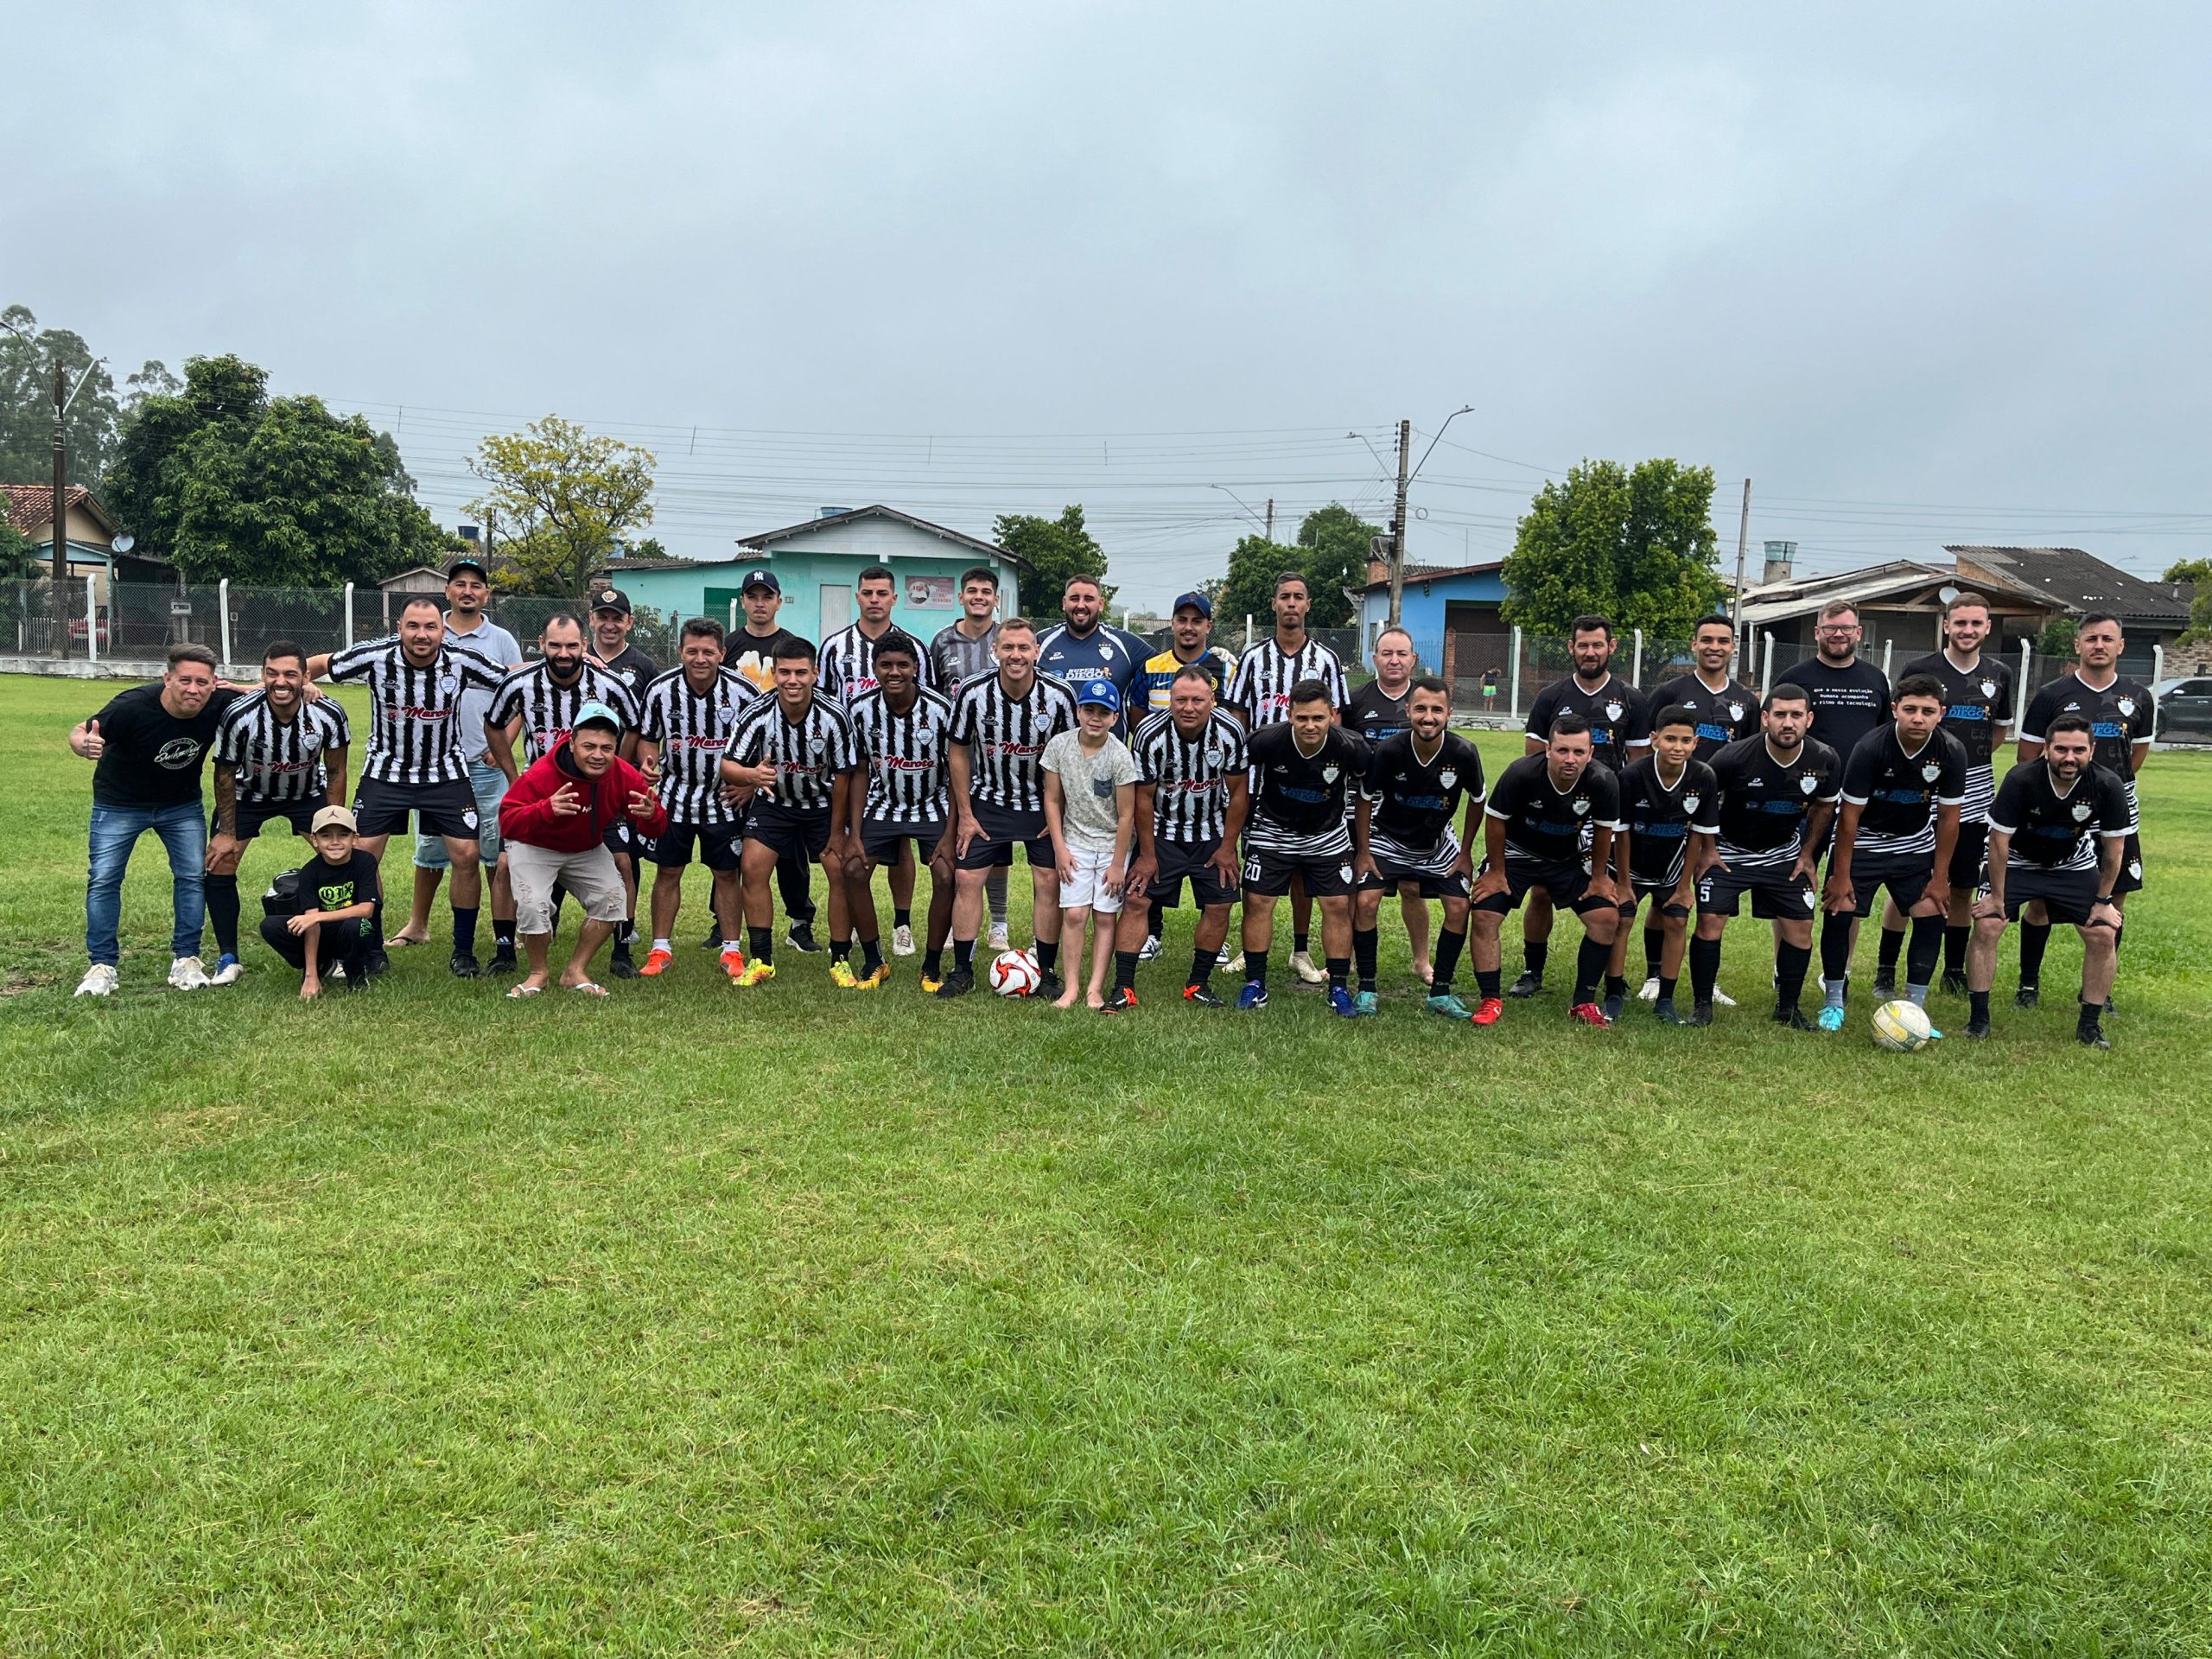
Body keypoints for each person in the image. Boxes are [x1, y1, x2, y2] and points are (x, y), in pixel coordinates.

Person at [307, 596, 507, 976]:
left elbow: (511, 677)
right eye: (413, 626)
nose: (421, 634)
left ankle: (463, 952)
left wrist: (571, 660)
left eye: (430, 627)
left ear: (442, 631)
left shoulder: (461, 660)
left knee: (467, 856)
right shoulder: (375, 657)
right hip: (386, 773)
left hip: (445, 774)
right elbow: (320, 663)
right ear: (399, 628)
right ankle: (372, 948)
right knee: (361, 856)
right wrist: (299, 682)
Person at [68, 643, 242, 995]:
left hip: (181, 805)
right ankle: (102, 965)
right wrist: (84, 745)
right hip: (120, 803)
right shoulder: (132, 706)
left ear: (214, 684)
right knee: (104, 879)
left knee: (191, 877)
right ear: (167, 679)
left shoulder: (218, 703)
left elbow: (273, 690)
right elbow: (81, 730)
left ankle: (186, 958)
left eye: (202, 682)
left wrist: (307, 688)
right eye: (185, 680)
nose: (193, 690)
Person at [484, 611, 643, 976]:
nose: (564, 653)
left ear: (584, 645)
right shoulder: (520, 683)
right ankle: (505, 951)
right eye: (555, 645)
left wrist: (616, 770)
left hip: (597, 795)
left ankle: (622, 951)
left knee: (622, 862)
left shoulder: (609, 683)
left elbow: (634, 725)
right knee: (504, 865)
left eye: (572, 645)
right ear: (541, 644)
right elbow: (493, 724)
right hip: (540, 793)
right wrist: (513, 776)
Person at [938, 618, 1081, 999]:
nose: (1015, 655)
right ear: (995, 651)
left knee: (1049, 881)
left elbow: (1072, 754)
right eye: (1008, 648)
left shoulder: (1059, 695)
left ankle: (1046, 972)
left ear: (1037, 651)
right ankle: (962, 970)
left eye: (1023, 648)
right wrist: (966, 814)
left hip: (1041, 804)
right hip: (989, 801)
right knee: (967, 880)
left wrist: (1061, 812)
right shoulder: (972, 692)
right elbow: (958, 750)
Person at [2014, 613, 2152, 1007]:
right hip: (2058, 811)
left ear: (2120, 646)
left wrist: (2106, 793)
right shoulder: (2051, 695)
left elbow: (2136, 754)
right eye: (2091, 638)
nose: (2099, 645)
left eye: (2107, 638)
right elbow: (2027, 756)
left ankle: (2097, 991)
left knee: (2113, 899)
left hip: (2114, 812)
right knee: (2041, 898)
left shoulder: (2138, 697)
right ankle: (2028, 984)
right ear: (2078, 645)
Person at [1878, 592, 2013, 995]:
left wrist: (1963, 764)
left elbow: (1999, 731)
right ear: (1947, 625)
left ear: (1987, 627)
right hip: (1921, 790)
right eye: (1961, 622)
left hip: (1975, 791)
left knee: (1962, 884)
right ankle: (1886, 968)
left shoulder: (1999, 674)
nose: (1968, 630)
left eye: (1976, 623)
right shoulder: (1921, 669)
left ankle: (1953, 969)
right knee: (1909, 883)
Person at [390, 555, 523, 958]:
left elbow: (519, 694)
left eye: (475, 585)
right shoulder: (428, 630)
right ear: (447, 591)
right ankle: (418, 925)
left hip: (484, 763)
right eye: (460, 584)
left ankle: (504, 930)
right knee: (431, 848)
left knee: (493, 848)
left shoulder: (501, 640)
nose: (468, 591)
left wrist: (503, 747)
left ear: (486, 594)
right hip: (434, 765)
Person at [1967, 714, 2127, 1046]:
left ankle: (2089, 1027)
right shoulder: (2021, 779)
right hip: (2017, 860)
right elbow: (1999, 842)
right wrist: (1997, 898)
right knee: (1988, 925)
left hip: (2072, 863)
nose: (2070, 758)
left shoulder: (2107, 784)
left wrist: (2103, 901)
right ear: (2046, 748)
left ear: (2092, 750)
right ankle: (1978, 1020)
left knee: (2102, 934)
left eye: (2079, 750)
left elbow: (2115, 851)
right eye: (2061, 749)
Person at [1510, 614, 1649, 998]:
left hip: (1606, 816)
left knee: (1612, 892)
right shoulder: (1550, 696)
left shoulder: (1632, 699)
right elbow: (1533, 758)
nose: (1590, 652)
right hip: (1556, 814)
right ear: (1571, 647)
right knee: (1541, 892)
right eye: (1583, 645)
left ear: (1612, 647)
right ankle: (1532, 970)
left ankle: (1613, 977)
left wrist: (1625, 816)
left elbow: (1637, 766)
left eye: (1598, 645)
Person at [1818, 674, 1965, 1032]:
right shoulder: (1870, 747)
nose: (1918, 718)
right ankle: (1834, 1000)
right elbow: (1848, 816)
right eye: (1910, 709)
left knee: (1932, 911)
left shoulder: (1951, 750)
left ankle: (1915, 1009)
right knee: (1840, 908)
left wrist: (1941, 877)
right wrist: (1841, 876)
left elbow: (1949, 818)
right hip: (1865, 840)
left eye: (1927, 711)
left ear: (1941, 713)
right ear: (1895, 709)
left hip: (1913, 843)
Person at [1691, 685, 1842, 1029]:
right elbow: (1703, 799)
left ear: (1809, 719)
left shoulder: (1824, 758)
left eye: (1796, 715)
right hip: (1729, 851)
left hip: (1783, 853)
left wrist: (1807, 854)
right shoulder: (1733, 757)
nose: (1788, 723)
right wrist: (1708, 850)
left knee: (1801, 928)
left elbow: (1825, 807)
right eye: (1780, 715)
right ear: (1765, 718)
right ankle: (1702, 1007)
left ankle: (1788, 1009)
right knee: (1710, 922)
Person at [205, 639, 353, 986]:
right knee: (220, 860)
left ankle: (352, 950)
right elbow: (224, 774)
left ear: (305, 677)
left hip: (306, 794)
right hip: (248, 794)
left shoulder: (329, 713)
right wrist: (226, 832)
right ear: (263, 675)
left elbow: (336, 771)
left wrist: (334, 822)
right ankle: (229, 957)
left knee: (344, 860)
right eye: (272, 674)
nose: (280, 682)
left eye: (290, 674)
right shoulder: (240, 715)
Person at [495, 702, 667, 997]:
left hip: (585, 848)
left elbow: (656, 828)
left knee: (614, 899)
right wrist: (545, 809)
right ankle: (538, 973)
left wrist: (652, 815)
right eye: (589, 746)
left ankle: (574, 971)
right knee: (534, 905)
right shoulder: (543, 772)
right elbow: (507, 820)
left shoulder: (623, 774)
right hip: (535, 844)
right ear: (572, 743)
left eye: (606, 748)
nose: (598, 755)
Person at [1226, 571, 1347, 985]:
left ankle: (1300, 950)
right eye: (1284, 597)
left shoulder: (1327, 660)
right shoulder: (1253, 658)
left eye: (1298, 597)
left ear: (1308, 604)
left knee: (1303, 872)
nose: (1291, 603)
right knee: (1258, 870)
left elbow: (1337, 722)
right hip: (1261, 785)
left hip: (1311, 786)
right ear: (1274, 604)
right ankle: (1249, 950)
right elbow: (1239, 718)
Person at [1468, 715, 1623, 1027]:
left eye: (1578, 752)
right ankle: (1490, 1000)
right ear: (1548, 749)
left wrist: (1598, 877)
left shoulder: (1603, 780)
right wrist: (1496, 871)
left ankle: (1583, 1002)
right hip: (1517, 853)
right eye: (1562, 750)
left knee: (1606, 917)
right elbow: (1495, 819)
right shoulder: (1521, 773)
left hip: (1568, 856)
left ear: (1590, 753)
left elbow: (1604, 830)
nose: (1570, 759)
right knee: (1485, 913)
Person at [723, 638, 858, 986]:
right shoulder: (757, 712)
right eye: (785, 672)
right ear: (775, 673)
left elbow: (845, 776)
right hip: (776, 804)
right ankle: (761, 959)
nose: (792, 680)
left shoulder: (834, 715)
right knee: (752, 867)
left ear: (815, 673)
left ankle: (841, 960)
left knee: (840, 872)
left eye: (801, 672)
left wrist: (836, 832)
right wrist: (752, 776)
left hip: (823, 805)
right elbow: (727, 765)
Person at [632, 617, 760, 979]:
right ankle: (660, 949)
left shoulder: (743, 692)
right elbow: (648, 737)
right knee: (668, 870)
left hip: (724, 798)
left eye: (708, 652)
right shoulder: (660, 690)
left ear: (722, 653)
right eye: (692, 651)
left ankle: (732, 950)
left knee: (726, 873)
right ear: (680, 651)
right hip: (675, 795)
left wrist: (749, 785)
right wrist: (648, 764)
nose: (700, 659)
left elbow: (763, 742)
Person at [1352, 675, 1484, 1019]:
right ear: (1408, 710)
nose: (1428, 717)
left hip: (1436, 842)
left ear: (1449, 713)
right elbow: (1365, 798)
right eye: (1421, 709)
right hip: (1388, 838)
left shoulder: (1464, 752)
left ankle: (1440, 991)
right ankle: (1367, 987)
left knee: (1459, 906)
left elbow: (1477, 800)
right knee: (1365, 901)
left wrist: (1465, 853)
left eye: (1437, 710)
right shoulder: (1389, 750)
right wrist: (1364, 851)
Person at [1641, 613, 1758, 1001]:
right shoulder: (1669, 692)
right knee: (1664, 896)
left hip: (1720, 817)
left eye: (1722, 641)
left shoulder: (1746, 701)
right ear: (1694, 644)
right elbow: (1644, 748)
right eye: (1707, 640)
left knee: (1711, 901)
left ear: (1733, 647)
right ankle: (1654, 975)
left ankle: (1709, 980)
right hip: (1669, 813)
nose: (1714, 647)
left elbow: (1751, 756)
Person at [1118, 664, 1250, 1007]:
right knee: (1137, 900)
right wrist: (1147, 855)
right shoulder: (1149, 733)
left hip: (1211, 830)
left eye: (1197, 700)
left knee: (1220, 905)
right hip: (1162, 831)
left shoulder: (1230, 731)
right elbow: (1143, 797)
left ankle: (1198, 984)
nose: (1188, 708)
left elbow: (1239, 792)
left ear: (1212, 700)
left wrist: (1228, 848)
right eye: (1180, 700)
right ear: (1170, 700)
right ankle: (1123, 987)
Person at [1236, 677, 1370, 1015]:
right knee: (1257, 900)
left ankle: (1338, 987)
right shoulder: (1266, 740)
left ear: (1332, 715)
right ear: (1290, 715)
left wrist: (1364, 846)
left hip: (1327, 833)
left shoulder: (1352, 746)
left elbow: (1367, 792)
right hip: (1273, 828)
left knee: (1337, 904)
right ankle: (1255, 983)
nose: (1310, 725)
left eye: (1318, 718)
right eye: (1303, 718)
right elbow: (1235, 779)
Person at [818, 565, 928, 964]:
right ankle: (850, 931)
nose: (875, 599)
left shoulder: (914, 647)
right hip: (850, 763)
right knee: (852, 844)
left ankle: (902, 924)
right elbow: (824, 703)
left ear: (894, 598)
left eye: (882, 593)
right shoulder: (834, 647)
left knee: (902, 843)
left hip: (900, 764)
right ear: (858, 597)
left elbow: (925, 703)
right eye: (868, 593)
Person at [842, 631, 957, 990]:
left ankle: (932, 965)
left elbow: (957, 774)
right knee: (853, 870)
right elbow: (860, 770)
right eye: (886, 665)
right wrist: (855, 833)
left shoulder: (940, 709)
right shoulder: (859, 709)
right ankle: (874, 960)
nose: (894, 672)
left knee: (946, 875)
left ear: (916, 668)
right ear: (874, 668)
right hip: (884, 801)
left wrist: (951, 833)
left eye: (903, 665)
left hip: (932, 802)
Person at [715, 568, 819, 952]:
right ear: (743, 601)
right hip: (739, 762)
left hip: (785, 772)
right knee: (733, 851)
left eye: (767, 596)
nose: (760, 604)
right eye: (753, 596)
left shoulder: (792, 645)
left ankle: (800, 922)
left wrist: (762, 779)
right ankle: (722, 924)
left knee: (791, 854)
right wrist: (745, 777)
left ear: (778, 601)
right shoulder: (728, 646)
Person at [1130, 589, 1237, 962]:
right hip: (1164, 778)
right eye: (1182, 620)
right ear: (1173, 624)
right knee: (1151, 867)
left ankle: (1214, 942)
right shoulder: (1150, 667)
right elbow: (1137, 716)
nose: (1189, 627)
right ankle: (1152, 934)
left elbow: (1235, 720)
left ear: (1208, 626)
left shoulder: (1226, 668)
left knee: (1214, 876)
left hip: (1209, 784)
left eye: (1197, 621)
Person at [1342, 625, 1437, 985]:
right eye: (1387, 653)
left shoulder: (1426, 699)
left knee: (1412, 888)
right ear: (1374, 658)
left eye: (1401, 654)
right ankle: (1349, 958)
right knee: (1360, 885)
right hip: (1362, 806)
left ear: (1413, 659)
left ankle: (1422, 961)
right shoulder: (1356, 700)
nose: (1394, 660)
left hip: (1411, 809)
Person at [1612, 707, 1719, 1025]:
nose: (1678, 747)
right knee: (1622, 918)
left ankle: (1666, 999)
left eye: (1686, 741)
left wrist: (1685, 887)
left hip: (1671, 864)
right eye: (1670, 739)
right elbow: (1622, 833)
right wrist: (1623, 884)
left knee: (1676, 921)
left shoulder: (1703, 777)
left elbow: (1697, 834)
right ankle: (1614, 993)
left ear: (1695, 743)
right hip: (1631, 863)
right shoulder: (1632, 776)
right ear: (1654, 739)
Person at [927, 564, 1014, 951]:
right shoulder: (942, 641)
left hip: (999, 760)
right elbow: (932, 697)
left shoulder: (1007, 640)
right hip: (956, 757)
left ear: (996, 599)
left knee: (996, 845)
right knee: (960, 838)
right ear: (961, 597)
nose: (979, 597)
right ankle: (954, 922)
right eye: (972, 591)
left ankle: (999, 922)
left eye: (986, 592)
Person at [1041, 682, 1140, 1009]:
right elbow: (1052, 799)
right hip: (1075, 841)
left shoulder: (1120, 756)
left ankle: (1094, 989)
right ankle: (1071, 988)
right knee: (1074, 914)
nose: (1095, 718)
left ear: (1115, 718)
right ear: (1078, 712)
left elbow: (1126, 815)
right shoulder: (1059, 746)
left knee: (1105, 916)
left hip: (1112, 845)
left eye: (1104, 712)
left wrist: (1117, 864)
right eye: (1089, 710)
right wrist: (1060, 849)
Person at [257, 805, 381, 998]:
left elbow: (366, 909)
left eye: (343, 835)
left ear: (355, 838)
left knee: (358, 926)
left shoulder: (365, 862)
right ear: (314, 840)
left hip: (353, 931)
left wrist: (317, 917)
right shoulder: (310, 872)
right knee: (270, 926)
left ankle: (356, 973)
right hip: (322, 934)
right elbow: (311, 924)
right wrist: (310, 974)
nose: (335, 842)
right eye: (326, 836)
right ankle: (322, 964)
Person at [1037, 574, 1149, 735]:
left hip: (1111, 750)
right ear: (1064, 603)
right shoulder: (1041, 643)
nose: (1081, 605)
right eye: (1074, 598)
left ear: (1101, 604)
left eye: (1088, 599)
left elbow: (1167, 666)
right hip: (1055, 750)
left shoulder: (1125, 644)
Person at [587, 586, 659, 696]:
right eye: (602, 618)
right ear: (592, 618)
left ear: (629, 622)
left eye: (617, 619)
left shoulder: (645, 666)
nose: (609, 626)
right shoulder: (578, 659)